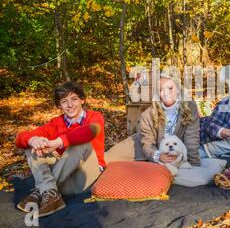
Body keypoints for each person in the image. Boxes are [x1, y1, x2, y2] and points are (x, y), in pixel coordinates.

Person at [15, 81, 105, 217]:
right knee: (32, 146)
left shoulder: (94, 117)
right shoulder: (56, 123)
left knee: (81, 143)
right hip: (65, 175)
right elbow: (20, 138)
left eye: (74, 99)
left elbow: (89, 131)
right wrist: (32, 140)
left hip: (87, 176)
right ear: (59, 105)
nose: (70, 105)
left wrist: (59, 142)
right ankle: (51, 195)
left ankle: (42, 190)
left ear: (82, 100)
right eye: (64, 101)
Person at [105, 73, 201, 167]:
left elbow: (192, 137)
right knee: (107, 158)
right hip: (144, 145)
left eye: (170, 88)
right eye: (161, 90)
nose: (166, 93)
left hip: (173, 148)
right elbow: (147, 144)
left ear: (178, 89)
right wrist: (158, 156)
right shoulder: (148, 114)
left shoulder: (190, 107)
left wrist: (194, 164)